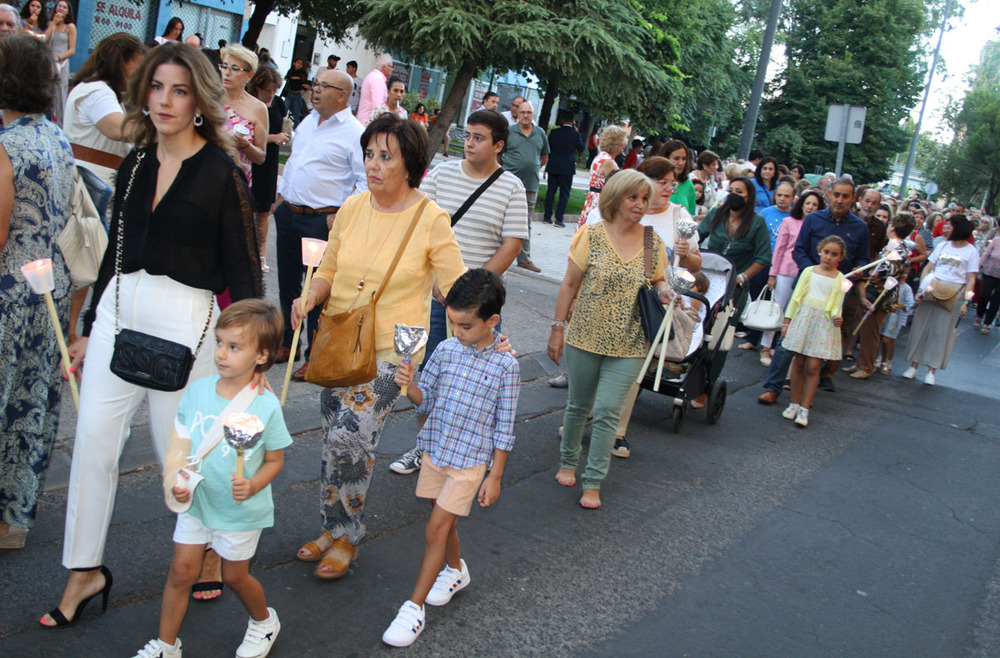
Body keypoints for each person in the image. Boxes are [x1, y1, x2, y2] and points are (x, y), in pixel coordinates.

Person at [43, 41, 263, 629]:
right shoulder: (136, 161)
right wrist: (91, 330)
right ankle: (83, 570)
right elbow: (116, 256)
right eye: (157, 88)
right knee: (91, 444)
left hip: (188, 324)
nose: (164, 101)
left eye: (179, 90)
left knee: (179, 463)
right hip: (120, 313)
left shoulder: (221, 173)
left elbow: (245, 269)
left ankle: (209, 547)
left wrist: (250, 353)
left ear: (199, 101)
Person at [290, 115, 466, 579]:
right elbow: (327, 268)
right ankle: (330, 527)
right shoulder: (351, 207)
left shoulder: (431, 219)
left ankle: (348, 535)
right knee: (335, 439)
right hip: (339, 342)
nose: (373, 164)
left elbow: (455, 288)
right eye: (369, 154)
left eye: (385, 156)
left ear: (409, 165)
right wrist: (308, 297)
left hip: (394, 351)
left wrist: (485, 324)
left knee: (351, 435)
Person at [131, 300, 290, 658]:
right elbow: (182, 441)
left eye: (234, 347)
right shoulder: (199, 390)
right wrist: (174, 477)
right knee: (181, 571)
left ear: (261, 356)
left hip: (239, 509)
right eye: (219, 342)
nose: (221, 354)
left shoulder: (266, 405)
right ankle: (167, 645)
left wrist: (253, 484)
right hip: (197, 502)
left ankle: (264, 622)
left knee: (235, 577)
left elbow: (276, 460)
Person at [386, 109, 527, 478]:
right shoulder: (444, 174)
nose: (469, 143)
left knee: (472, 380)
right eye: (467, 135)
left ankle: (467, 454)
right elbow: (418, 223)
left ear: (498, 145)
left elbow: (511, 245)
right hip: (432, 296)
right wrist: (437, 282)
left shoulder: (511, 186)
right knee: (431, 373)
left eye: (479, 138)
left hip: (478, 303)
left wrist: (471, 291)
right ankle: (424, 448)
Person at [382, 269, 518, 647]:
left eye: (465, 325)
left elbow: (505, 427)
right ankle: (456, 570)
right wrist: (409, 385)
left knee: (435, 530)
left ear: (492, 321)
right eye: (453, 322)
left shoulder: (507, 366)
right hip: (437, 449)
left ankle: (413, 608)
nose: (457, 331)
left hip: (470, 462)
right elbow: (428, 398)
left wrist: (496, 475)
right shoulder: (445, 349)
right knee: (440, 520)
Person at [549, 170, 670, 510]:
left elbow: (658, 280)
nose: (640, 205)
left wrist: (666, 291)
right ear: (616, 198)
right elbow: (569, 284)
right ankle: (568, 462)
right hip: (585, 335)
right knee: (578, 406)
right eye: (633, 197)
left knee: (606, 411)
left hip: (630, 343)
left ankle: (593, 481)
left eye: (644, 199)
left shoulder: (652, 242)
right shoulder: (592, 235)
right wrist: (557, 328)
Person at [0, 35, 76, 550]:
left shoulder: (6, 145)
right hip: (48, 288)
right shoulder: (56, 136)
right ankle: (15, 516)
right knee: (30, 407)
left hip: (8, 292)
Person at [598, 156, 702, 457]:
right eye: (662, 182)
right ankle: (589, 416)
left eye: (673, 182)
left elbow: (696, 265)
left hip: (649, 303)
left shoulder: (678, 216)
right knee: (599, 364)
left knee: (633, 367)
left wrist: (687, 254)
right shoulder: (622, 208)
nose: (669, 188)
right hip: (609, 298)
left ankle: (616, 432)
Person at [274, 68, 366, 376]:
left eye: (323, 86)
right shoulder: (309, 121)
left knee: (317, 288)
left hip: (320, 221)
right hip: (289, 213)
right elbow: (297, 163)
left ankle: (314, 355)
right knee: (287, 284)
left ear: (342, 95)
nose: (315, 89)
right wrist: (280, 196)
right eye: (315, 83)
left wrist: (341, 214)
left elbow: (364, 180)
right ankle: (288, 343)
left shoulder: (354, 132)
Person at [779, 236, 848, 428]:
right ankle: (793, 403)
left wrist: (836, 317)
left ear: (840, 258)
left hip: (823, 324)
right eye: (826, 252)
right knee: (799, 362)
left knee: (813, 366)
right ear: (819, 251)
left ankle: (805, 407)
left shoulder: (841, 279)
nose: (828, 257)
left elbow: (836, 305)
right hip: (804, 318)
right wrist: (787, 321)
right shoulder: (808, 272)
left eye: (834, 254)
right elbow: (796, 298)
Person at [904, 214, 979, 385]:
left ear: (958, 228)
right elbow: (929, 267)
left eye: (949, 226)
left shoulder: (971, 251)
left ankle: (932, 369)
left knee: (941, 332)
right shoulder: (943, 245)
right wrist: (922, 289)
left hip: (954, 292)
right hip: (932, 287)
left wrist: (966, 302)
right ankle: (913, 365)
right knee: (921, 326)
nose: (946, 228)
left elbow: (971, 278)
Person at [64, 32, 146, 186]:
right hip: (93, 183)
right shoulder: (97, 92)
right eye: (138, 65)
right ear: (120, 61)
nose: (140, 73)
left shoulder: (97, 89)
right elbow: (120, 129)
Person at [247, 64, 289, 274]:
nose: (271, 94)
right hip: (250, 160)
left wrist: (283, 135)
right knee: (245, 208)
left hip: (269, 161)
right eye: (267, 90)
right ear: (257, 87)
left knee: (263, 210)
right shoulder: (249, 103)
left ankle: (260, 254)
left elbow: (283, 127)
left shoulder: (278, 104)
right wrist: (272, 138)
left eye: (274, 90)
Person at [502, 100, 548, 273]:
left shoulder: (540, 133)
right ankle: (498, 253)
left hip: (530, 185)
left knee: (525, 223)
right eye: (523, 112)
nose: (526, 115)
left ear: (533, 114)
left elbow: (544, 157)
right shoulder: (510, 132)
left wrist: (533, 167)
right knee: (502, 218)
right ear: (517, 114)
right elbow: (500, 154)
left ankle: (524, 259)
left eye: (529, 112)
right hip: (508, 184)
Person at [219, 45, 268, 192]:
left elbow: (260, 157)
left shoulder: (258, 108)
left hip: (236, 184)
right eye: (224, 66)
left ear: (249, 75)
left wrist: (244, 145)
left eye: (234, 69)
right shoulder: (209, 100)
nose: (227, 73)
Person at [757, 180, 795, 363]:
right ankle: (765, 346)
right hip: (777, 267)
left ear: (794, 198)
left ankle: (779, 348)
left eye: (786, 196)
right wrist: (773, 273)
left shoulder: (798, 217)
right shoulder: (766, 213)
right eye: (779, 195)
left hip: (797, 271)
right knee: (774, 308)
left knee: (790, 313)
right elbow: (778, 247)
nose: (782, 199)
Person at [578, 124, 627, 229]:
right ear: (617, 143)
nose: (624, 144)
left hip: (593, 199)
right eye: (623, 140)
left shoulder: (600, 156)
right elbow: (618, 186)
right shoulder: (608, 161)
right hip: (602, 201)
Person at [543, 108, 582, 228]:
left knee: (551, 191)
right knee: (564, 194)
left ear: (562, 120)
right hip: (567, 167)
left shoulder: (554, 133)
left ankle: (547, 216)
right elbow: (581, 148)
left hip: (553, 165)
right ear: (573, 121)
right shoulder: (575, 135)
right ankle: (559, 219)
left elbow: (548, 148)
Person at [44, 0, 76, 126]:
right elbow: (44, 40)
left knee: (60, 92)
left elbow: (72, 50)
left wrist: (58, 58)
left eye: (64, 7)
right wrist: (53, 23)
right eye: (59, 6)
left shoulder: (70, 27)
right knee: (48, 91)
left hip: (60, 63)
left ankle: (60, 123)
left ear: (68, 11)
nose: (61, 8)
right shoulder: (51, 24)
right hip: (48, 62)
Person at [877, 266, 914, 373]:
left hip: (895, 316)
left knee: (888, 339)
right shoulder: (891, 284)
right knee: (880, 337)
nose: (903, 275)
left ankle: (886, 361)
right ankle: (878, 358)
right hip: (886, 314)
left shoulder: (906, 288)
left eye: (906, 273)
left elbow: (910, 303)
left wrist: (901, 305)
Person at [357, 54, 393, 124]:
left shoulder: (373, 76)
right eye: (391, 66)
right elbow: (378, 107)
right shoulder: (377, 79)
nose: (392, 69)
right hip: (368, 122)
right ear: (384, 67)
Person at [975, 234, 1000, 334]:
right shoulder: (996, 240)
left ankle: (987, 323)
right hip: (989, 272)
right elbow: (986, 254)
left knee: (996, 299)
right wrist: (978, 266)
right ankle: (979, 315)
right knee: (985, 295)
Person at [664, 139, 696, 215]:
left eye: (684, 159)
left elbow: (691, 214)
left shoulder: (688, 184)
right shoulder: (655, 181)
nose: (681, 163)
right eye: (676, 158)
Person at [282, 59, 308, 126]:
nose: (299, 65)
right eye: (298, 63)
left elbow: (304, 83)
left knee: (297, 114)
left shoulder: (302, 73)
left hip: (297, 94)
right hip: (289, 93)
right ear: (294, 63)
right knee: (284, 111)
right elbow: (288, 80)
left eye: (301, 64)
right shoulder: (290, 71)